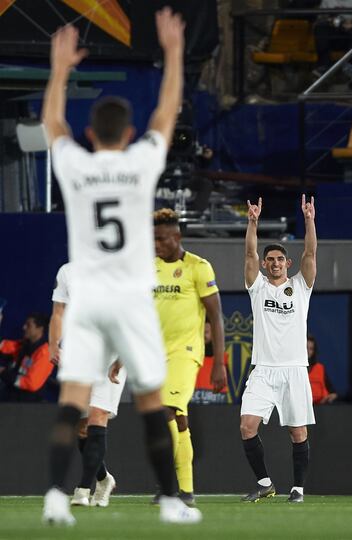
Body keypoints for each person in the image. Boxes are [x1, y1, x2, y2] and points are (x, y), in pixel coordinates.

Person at [41, 10, 201, 526]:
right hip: (131, 299)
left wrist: (59, 70)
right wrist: (174, 52)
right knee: (152, 402)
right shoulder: (139, 164)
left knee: (72, 404)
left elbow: (53, 124)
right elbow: (167, 112)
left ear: (91, 133)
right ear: (128, 132)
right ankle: (173, 501)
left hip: (87, 299)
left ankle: (54, 497)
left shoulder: (76, 165)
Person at [240, 194, 317, 504]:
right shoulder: (257, 287)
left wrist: (309, 219)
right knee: (247, 425)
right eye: (269, 259)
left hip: (295, 369)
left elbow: (311, 251)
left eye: (279, 259)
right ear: (265, 263)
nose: (273, 263)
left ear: (288, 263)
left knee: (297, 433)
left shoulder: (300, 286)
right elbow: (248, 253)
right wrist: (252, 222)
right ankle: (265, 484)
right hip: (263, 369)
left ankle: (297, 489)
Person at [153, 208, 227, 505]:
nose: (156, 245)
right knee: (179, 419)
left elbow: (216, 317)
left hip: (186, 353)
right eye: (153, 239)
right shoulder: (151, 268)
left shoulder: (199, 267)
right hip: (155, 355)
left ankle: (171, 487)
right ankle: (186, 490)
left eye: (161, 239)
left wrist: (218, 362)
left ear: (176, 236)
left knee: (166, 413)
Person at [49, 262, 127, 507]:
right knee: (81, 429)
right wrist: (53, 344)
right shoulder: (67, 271)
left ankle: (82, 489)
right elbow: (58, 312)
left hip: (111, 353)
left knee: (98, 414)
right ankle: (104, 480)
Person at [313, 0, 352, 82]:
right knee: (321, 28)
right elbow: (320, 18)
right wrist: (332, 21)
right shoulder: (327, 1)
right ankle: (324, 65)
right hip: (334, 34)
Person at [307, 334, 338, 404]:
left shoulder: (320, 368)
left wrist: (331, 396)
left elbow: (332, 391)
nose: (308, 351)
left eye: (311, 349)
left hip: (321, 407)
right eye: (306, 348)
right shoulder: (297, 370)